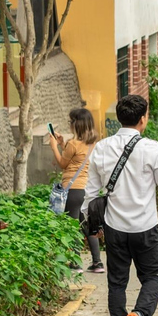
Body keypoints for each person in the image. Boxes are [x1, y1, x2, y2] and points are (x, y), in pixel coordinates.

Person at [82, 95, 158, 316]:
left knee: (117, 282)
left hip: (115, 228)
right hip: (146, 228)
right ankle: (139, 314)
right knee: (152, 275)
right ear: (143, 119)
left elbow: (91, 194)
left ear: (119, 118)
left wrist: (92, 227)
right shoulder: (151, 148)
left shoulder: (102, 148)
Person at [49, 108, 102, 273]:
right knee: (86, 225)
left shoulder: (73, 144)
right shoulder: (94, 143)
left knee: (71, 226)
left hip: (72, 189)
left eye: (70, 122)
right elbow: (78, 159)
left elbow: (64, 164)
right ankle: (97, 263)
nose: (69, 125)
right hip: (86, 190)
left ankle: (75, 263)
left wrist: (54, 147)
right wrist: (62, 144)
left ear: (76, 124)